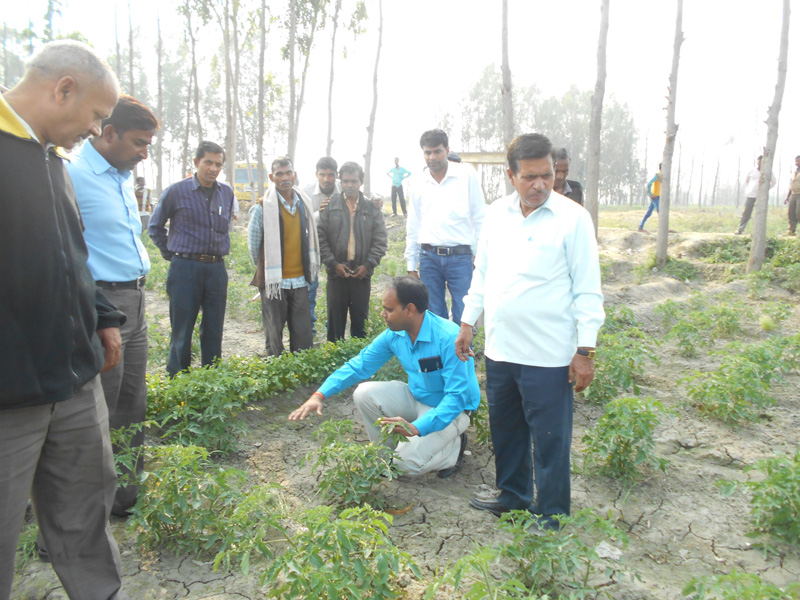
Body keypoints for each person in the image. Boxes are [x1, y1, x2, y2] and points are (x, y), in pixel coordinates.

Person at [0, 40, 129, 600]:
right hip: (10, 392)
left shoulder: (51, 159)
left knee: (85, 511)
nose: (97, 130)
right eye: (97, 117)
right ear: (64, 89)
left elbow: (73, 254)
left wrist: (101, 315)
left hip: (74, 379)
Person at [455, 133, 604, 529]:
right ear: (511, 175)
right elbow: (482, 272)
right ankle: (514, 494)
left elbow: (588, 289)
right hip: (501, 349)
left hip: (549, 353)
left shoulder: (573, 219)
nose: (540, 185)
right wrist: (468, 320)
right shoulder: (496, 215)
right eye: (530, 177)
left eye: (547, 176)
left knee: (551, 438)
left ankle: (552, 512)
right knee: (507, 429)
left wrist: (585, 351)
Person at [67, 94, 158, 517]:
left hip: (135, 300)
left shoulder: (120, 175)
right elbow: (66, 254)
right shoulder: (72, 176)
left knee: (131, 403)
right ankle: (83, 513)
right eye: (139, 143)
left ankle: (124, 496)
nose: (144, 153)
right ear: (108, 133)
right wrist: (98, 309)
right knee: (94, 409)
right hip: (101, 303)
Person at [289, 276, 479, 477]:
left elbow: (455, 399)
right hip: (416, 398)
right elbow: (360, 365)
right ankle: (386, 454)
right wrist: (319, 395)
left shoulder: (449, 338)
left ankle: (453, 451)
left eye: (389, 309)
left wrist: (416, 427)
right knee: (364, 393)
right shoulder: (395, 334)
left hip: (452, 412)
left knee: (405, 466)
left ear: (410, 309)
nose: (383, 314)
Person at [149, 141, 235, 377]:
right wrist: (174, 256)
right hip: (185, 269)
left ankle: (210, 379)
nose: (213, 168)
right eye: (208, 162)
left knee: (214, 328)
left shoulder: (226, 193)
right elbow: (155, 227)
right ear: (196, 162)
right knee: (182, 328)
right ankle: (179, 382)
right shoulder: (176, 191)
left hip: (216, 269)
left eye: (218, 164)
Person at [405, 129, 485, 324]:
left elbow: (480, 218)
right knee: (433, 314)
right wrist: (411, 264)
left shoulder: (466, 175)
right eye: (427, 152)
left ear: (447, 150)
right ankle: (440, 354)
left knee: (464, 314)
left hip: (461, 258)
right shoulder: (418, 182)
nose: (432, 157)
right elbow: (413, 223)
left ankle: (463, 354)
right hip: (429, 258)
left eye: (437, 151)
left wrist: (480, 255)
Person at [248, 157, 320, 356]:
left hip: (299, 281)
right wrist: (269, 272)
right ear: (272, 177)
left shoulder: (303, 204)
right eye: (279, 174)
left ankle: (300, 378)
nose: (285, 178)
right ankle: (277, 373)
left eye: (288, 173)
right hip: (275, 283)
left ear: (294, 175)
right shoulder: (262, 207)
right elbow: (254, 246)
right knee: (274, 335)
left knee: (303, 335)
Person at [318, 161, 388, 342]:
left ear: (361, 182)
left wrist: (368, 265)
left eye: (354, 181)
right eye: (346, 181)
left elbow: (380, 240)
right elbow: (321, 239)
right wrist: (333, 264)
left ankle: (359, 365)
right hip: (336, 275)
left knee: (360, 326)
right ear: (340, 181)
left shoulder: (371, 209)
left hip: (361, 275)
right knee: (335, 326)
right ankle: (335, 363)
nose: (350, 185)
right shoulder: (329, 206)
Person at [302, 156, 341, 337]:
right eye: (322, 175)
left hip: (338, 246)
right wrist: (320, 213)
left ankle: (332, 331)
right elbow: (302, 222)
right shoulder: (306, 192)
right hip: (313, 245)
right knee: (310, 288)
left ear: (336, 175)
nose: (326, 179)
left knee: (336, 291)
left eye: (331, 175)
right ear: (316, 174)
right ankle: (308, 333)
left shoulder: (343, 189)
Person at [736, 155, 776, 235]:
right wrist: (748, 190)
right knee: (746, 212)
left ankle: (758, 232)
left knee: (760, 213)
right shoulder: (752, 171)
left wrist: (766, 189)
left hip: (761, 196)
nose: (760, 163)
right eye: (759, 161)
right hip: (751, 195)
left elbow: (774, 182)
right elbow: (746, 181)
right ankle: (740, 229)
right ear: (757, 162)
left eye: (762, 161)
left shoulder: (768, 171)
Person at [638, 164, 662, 232]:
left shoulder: (663, 176)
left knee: (648, 213)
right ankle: (662, 229)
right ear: (660, 168)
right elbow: (649, 184)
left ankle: (640, 226)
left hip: (659, 197)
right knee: (660, 211)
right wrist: (650, 194)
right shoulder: (658, 175)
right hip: (655, 197)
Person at [786, 155, 800, 235]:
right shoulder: (794, 172)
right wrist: (788, 196)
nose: (796, 163)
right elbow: (791, 184)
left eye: (798, 161)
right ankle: (792, 229)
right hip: (793, 194)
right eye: (796, 161)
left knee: (798, 212)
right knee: (791, 212)